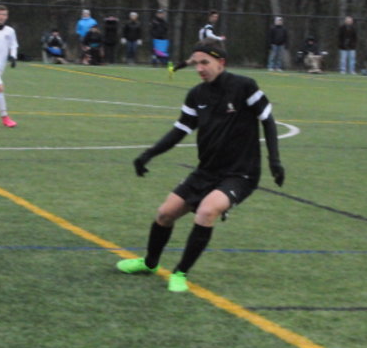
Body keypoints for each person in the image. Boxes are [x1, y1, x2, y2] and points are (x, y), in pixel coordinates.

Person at [117, 38, 285, 292]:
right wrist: (148, 154)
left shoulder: (244, 86)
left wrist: (275, 161)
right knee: (165, 213)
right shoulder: (196, 95)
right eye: (196, 63)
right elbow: (179, 131)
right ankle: (149, 263)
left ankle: (180, 273)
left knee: (206, 212)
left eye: (204, 63)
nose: (199, 69)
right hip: (207, 170)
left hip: (241, 173)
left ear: (221, 62)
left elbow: (268, 121)